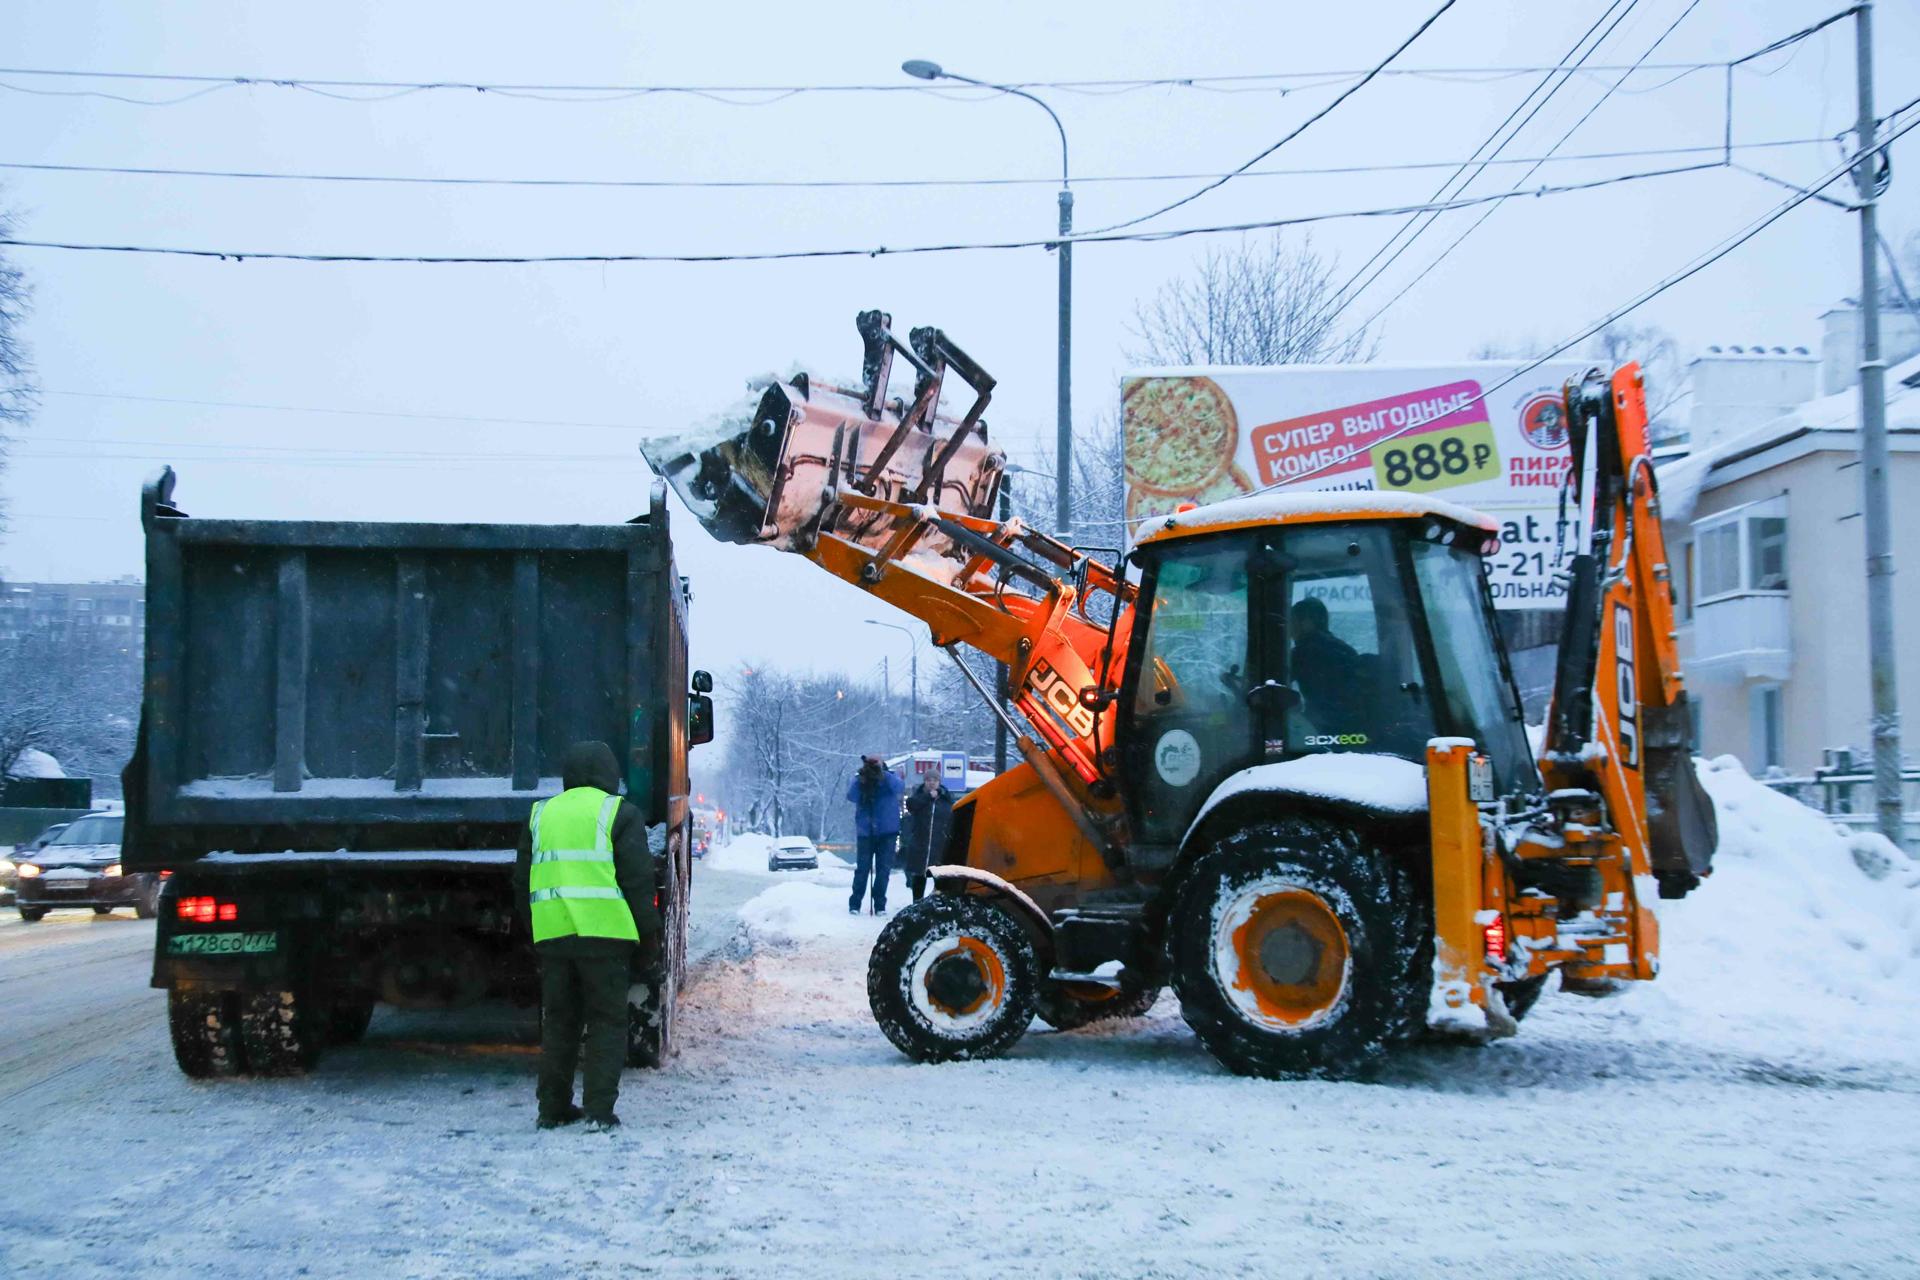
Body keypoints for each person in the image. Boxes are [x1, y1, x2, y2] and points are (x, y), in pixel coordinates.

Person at [513, 740, 662, 1133]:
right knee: (606, 1023)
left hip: (555, 936)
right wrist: (649, 939)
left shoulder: (540, 815)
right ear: (610, 774)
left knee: (559, 1022)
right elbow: (637, 882)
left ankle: (553, 1108)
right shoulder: (619, 814)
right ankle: (599, 1111)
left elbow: (522, 883)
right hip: (606, 938)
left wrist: (535, 932)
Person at [1289, 597, 1373, 737]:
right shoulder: (1343, 648)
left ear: (1307, 622)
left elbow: (1277, 685)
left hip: (1323, 728)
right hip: (1355, 725)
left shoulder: (1304, 652)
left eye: (1293, 621)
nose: (1289, 628)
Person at [846, 754, 905, 916]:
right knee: (862, 869)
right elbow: (851, 796)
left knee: (883, 870)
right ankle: (855, 904)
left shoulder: (889, 778)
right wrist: (861, 778)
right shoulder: (861, 779)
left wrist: (882, 773)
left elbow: (899, 788)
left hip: (887, 832)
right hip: (866, 832)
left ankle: (880, 904)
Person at [899, 771, 953, 903]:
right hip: (920, 843)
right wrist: (928, 797)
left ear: (939, 782)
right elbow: (911, 805)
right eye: (929, 779)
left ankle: (939, 904)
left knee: (940, 877)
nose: (932, 782)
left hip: (939, 844)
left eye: (935, 779)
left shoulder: (946, 799)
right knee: (919, 875)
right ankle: (917, 903)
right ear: (925, 781)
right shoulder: (918, 797)